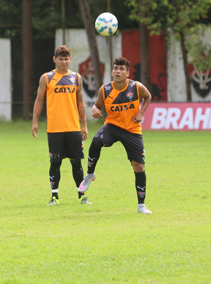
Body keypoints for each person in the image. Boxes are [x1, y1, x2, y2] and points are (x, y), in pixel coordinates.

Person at [78, 57, 152, 214]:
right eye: (115, 69)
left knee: (138, 166)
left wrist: (141, 112)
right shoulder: (105, 90)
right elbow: (97, 106)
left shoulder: (136, 87)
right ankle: (90, 175)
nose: (118, 71)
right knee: (96, 140)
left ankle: (141, 206)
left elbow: (148, 96)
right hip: (112, 126)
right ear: (112, 71)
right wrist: (94, 110)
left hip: (132, 129)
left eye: (121, 69)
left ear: (127, 72)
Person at [32, 45, 91, 205]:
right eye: (60, 59)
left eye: (66, 59)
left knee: (76, 163)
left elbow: (80, 102)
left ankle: (82, 196)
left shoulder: (76, 78)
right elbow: (39, 100)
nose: (63, 62)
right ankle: (54, 197)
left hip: (73, 128)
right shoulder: (47, 77)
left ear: (70, 59)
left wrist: (84, 125)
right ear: (54, 59)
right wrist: (35, 121)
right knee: (55, 163)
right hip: (55, 129)